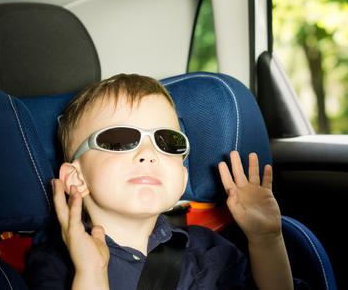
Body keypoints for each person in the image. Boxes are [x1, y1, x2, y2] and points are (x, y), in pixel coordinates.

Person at [28, 73, 303, 290]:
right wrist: (91, 273)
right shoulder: (58, 263)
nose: (148, 154)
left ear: (182, 177)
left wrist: (266, 241)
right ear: (76, 178)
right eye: (119, 140)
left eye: (167, 142)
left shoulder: (209, 250)